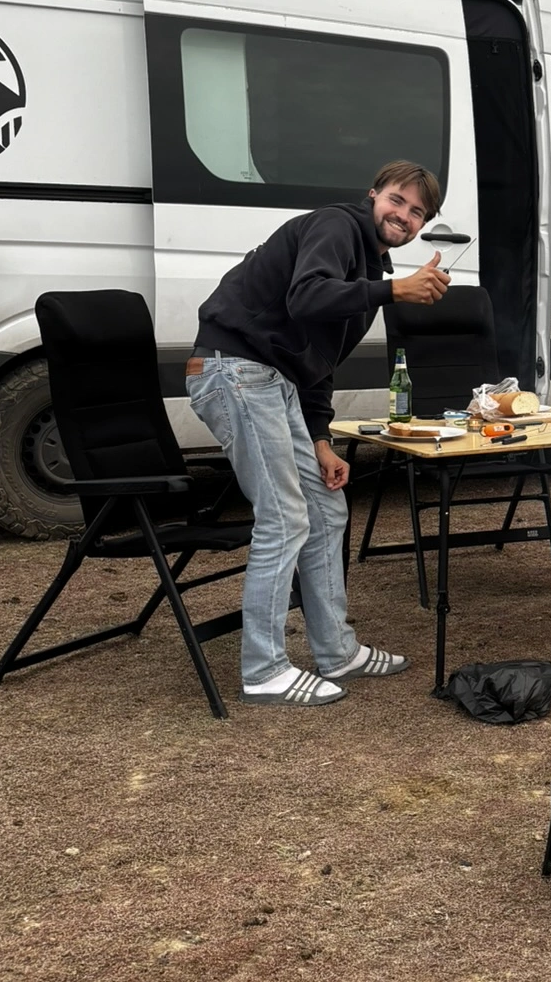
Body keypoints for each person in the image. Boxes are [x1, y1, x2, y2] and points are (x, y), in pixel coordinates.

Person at [185, 160, 450, 707]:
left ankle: (336, 651)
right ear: (373, 195)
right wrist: (394, 291)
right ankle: (264, 670)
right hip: (234, 368)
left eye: (417, 212)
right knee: (284, 517)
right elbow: (306, 296)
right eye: (397, 200)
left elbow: (318, 364)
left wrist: (321, 441)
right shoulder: (337, 226)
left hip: (274, 381)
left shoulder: (370, 271)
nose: (403, 215)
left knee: (326, 509)